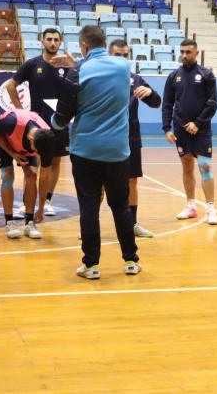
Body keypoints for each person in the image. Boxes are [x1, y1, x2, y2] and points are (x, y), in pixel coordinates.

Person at [51, 25, 140, 279]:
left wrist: (52, 125)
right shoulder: (123, 67)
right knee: (120, 206)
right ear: (105, 43)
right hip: (118, 150)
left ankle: (91, 265)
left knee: (89, 206)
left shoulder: (76, 73)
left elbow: (63, 116)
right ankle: (131, 260)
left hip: (86, 150)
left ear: (83, 46)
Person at [6, 28, 70, 220]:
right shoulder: (32, 64)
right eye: (49, 39)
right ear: (42, 42)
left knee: (56, 161)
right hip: (37, 124)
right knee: (34, 164)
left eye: (56, 40)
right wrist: (21, 111)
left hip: (61, 123)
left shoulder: (68, 66)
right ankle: (26, 203)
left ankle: (47, 201)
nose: (52, 43)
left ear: (60, 42)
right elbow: (11, 85)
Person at [162, 39, 217, 225]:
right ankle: (191, 206)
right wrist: (166, 128)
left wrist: (198, 123)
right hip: (180, 129)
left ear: (197, 53)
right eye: (182, 52)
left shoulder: (206, 74)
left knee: (205, 166)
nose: (185, 55)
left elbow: (212, 103)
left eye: (188, 52)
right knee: (186, 165)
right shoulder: (173, 76)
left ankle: (211, 209)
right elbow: (167, 104)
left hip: (201, 130)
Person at [109, 39, 160, 238]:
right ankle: (91, 224)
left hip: (130, 138)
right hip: (105, 137)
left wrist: (151, 92)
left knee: (132, 181)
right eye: (117, 55)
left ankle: (132, 223)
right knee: (100, 183)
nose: (121, 59)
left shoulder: (135, 79)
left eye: (125, 55)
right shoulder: (98, 77)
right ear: (109, 55)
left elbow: (156, 103)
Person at [0, 109, 56, 239]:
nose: (37, 155)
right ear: (31, 139)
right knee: (8, 175)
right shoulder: (10, 122)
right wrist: (13, 153)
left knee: (32, 175)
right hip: (3, 138)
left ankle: (29, 223)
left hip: (22, 143)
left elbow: (44, 179)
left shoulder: (46, 140)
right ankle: (9, 222)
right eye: (36, 152)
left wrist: (41, 208)